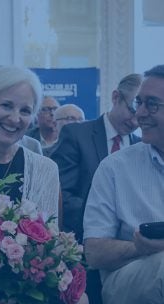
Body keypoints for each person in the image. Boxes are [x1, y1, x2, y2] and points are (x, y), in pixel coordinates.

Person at [0, 65, 88, 304]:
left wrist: (12, 291)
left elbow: (47, 243)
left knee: (77, 300)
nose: (15, 118)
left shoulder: (44, 169)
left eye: (25, 110)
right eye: (6, 105)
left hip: (26, 289)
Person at [83, 64, 164, 304]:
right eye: (139, 102)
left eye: (152, 105)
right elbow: (93, 252)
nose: (140, 113)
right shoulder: (114, 168)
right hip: (126, 288)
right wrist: (140, 248)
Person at [51, 73, 142, 242]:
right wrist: (106, 220)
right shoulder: (77, 134)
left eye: (142, 116)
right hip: (82, 241)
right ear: (116, 97)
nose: (135, 122)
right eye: (132, 111)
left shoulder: (142, 146)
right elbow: (61, 193)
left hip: (131, 246)